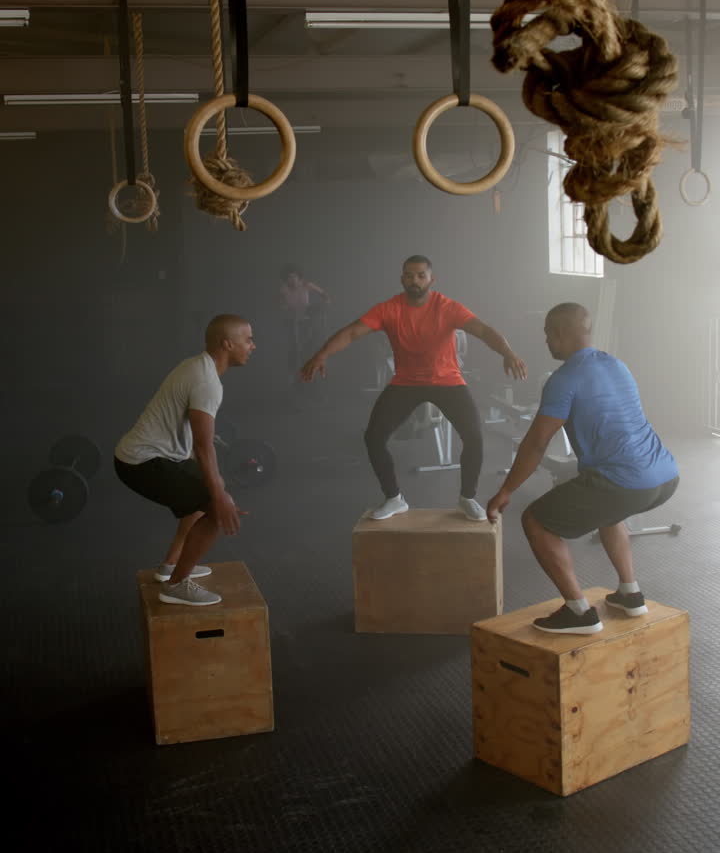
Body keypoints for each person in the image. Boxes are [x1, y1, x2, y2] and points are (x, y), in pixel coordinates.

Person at [486, 303, 679, 635]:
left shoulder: (564, 379)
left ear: (560, 333)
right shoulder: (617, 365)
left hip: (625, 481)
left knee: (535, 520)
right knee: (609, 512)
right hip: (665, 474)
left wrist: (506, 491)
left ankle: (579, 613)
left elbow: (536, 443)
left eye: (548, 334)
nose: (546, 341)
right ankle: (630, 594)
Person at [301, 254, 527, 520]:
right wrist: (322, 354)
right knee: (373, 437)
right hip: (406, 382)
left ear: (432, 279)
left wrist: (508, 353)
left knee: (474, 437)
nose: (415, 281)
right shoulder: (389, 309)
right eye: (409, 276)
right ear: (402, 279)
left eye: (421, 275)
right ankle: (394, 498)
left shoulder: (447, 307)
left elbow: (484, 331)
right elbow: (352, 332)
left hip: (447, 381)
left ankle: (467, 497)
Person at [114, 315, 254, 606]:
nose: (253, 345)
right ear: (227, 344)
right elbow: (204, 449)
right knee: (214, 509)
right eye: (248, 339)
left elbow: (195, 436)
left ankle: (170, 567)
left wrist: (216, 488)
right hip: (141, 462)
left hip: (149, 455)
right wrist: (220, 499)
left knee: (208, 488)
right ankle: (176, 585)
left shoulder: (196, 365)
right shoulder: (207, 382)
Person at [279, 265, 330, 388]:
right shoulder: (284, 289)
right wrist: (286, 308)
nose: (291, 280)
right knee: (294, 348)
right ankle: (292, 377)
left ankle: (307, 376)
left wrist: (323, 305)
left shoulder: (307, 285)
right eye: (289, 278)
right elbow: (280, 305)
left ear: (299, 278)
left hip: (306, 321)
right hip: (291, 321)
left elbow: (325, 295)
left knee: (306, 347)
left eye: (294, 277)